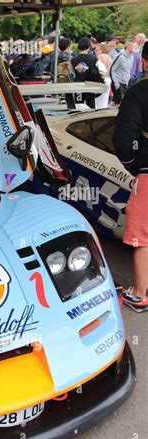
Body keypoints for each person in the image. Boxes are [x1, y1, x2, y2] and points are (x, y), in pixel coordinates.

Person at [113, 41, 148, 311]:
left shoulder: (139, 92)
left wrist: (136, 165)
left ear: (145, 61)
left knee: (143, 237)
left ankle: (139, 294)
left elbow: (124, 139)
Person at [71, 37, 101, 108]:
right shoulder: (94, 59)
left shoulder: (73, 59)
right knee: (90, 107)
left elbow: (71, 72)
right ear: (89, 46)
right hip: (90, 85)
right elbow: (103, 70)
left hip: (77, 86)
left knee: (78, 106)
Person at [110, 38, 136, 106]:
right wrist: (116, 83)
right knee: (121, 104)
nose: (135, 47)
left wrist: (127, 83)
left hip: (125, 84)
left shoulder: (132, 57)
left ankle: (105, 114)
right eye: (133, 45)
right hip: (118, 83)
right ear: (127, 46)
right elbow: (112, 70)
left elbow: (128, 71)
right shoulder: (120, 56)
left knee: (114, 102)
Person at [94, 44, 112, 109]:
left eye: (97, 50)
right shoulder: (109, 57)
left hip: (101, 79)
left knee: (97, 100)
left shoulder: (99, 57)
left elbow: (98, 70)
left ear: (101, 50)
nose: (95, 52)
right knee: (105, 100)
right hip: (109, 79)